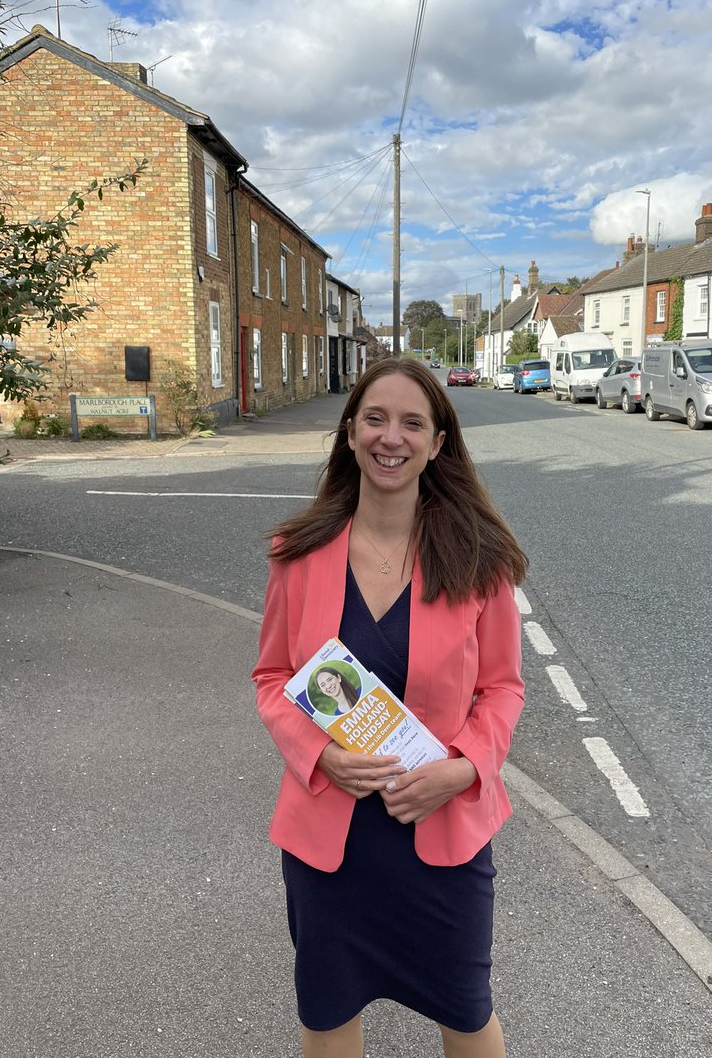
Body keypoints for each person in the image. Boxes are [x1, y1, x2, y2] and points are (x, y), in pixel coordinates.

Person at [252, 356, 527, 1058]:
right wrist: (321, 756)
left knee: (467, 1013)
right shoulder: (298, 553)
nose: (390, 437)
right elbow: (273, 676)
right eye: (375, 418)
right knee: (329, 1009)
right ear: (350, 433)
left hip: (442, 835)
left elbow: (503, 687)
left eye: (413, 423)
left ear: (438, 444)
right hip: (330, 843)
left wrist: (464, 768)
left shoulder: (479, 559)